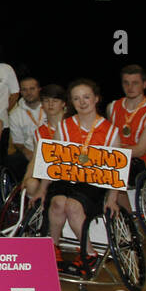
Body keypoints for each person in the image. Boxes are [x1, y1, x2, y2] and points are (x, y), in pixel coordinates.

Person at [24, 79, 121, 272]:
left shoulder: (110, 131)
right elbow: (54, 162)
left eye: (86, 97)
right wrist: (42, 189)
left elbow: (115, 170)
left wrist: (113, 199)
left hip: (93, 183)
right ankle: (53, 247)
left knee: (73, 205)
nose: (82, 102)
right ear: (72, 102)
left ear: (96, 99)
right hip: (66, 178)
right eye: (77, 98)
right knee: (58, 202)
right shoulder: (64, 127)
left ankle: (90, 253)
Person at [108, 65, 146, 180]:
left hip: (144, 159)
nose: (130, 87)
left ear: (144, 84)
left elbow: (140, 150)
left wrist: (107, 154)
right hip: (117, 157)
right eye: (126, 83)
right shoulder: (112, 107)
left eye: (135, 83)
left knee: (115, 171)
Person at [5, 76, 45, 180]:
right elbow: (18, 142)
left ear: (39, 90)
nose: (29, 92)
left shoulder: (50, 107)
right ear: (20, 92)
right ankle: (22, 192)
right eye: (24, 89)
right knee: (12, 160)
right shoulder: (15, 114)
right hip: (30, 151)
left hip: (52, 151)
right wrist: (27, 152)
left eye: (32, 89)